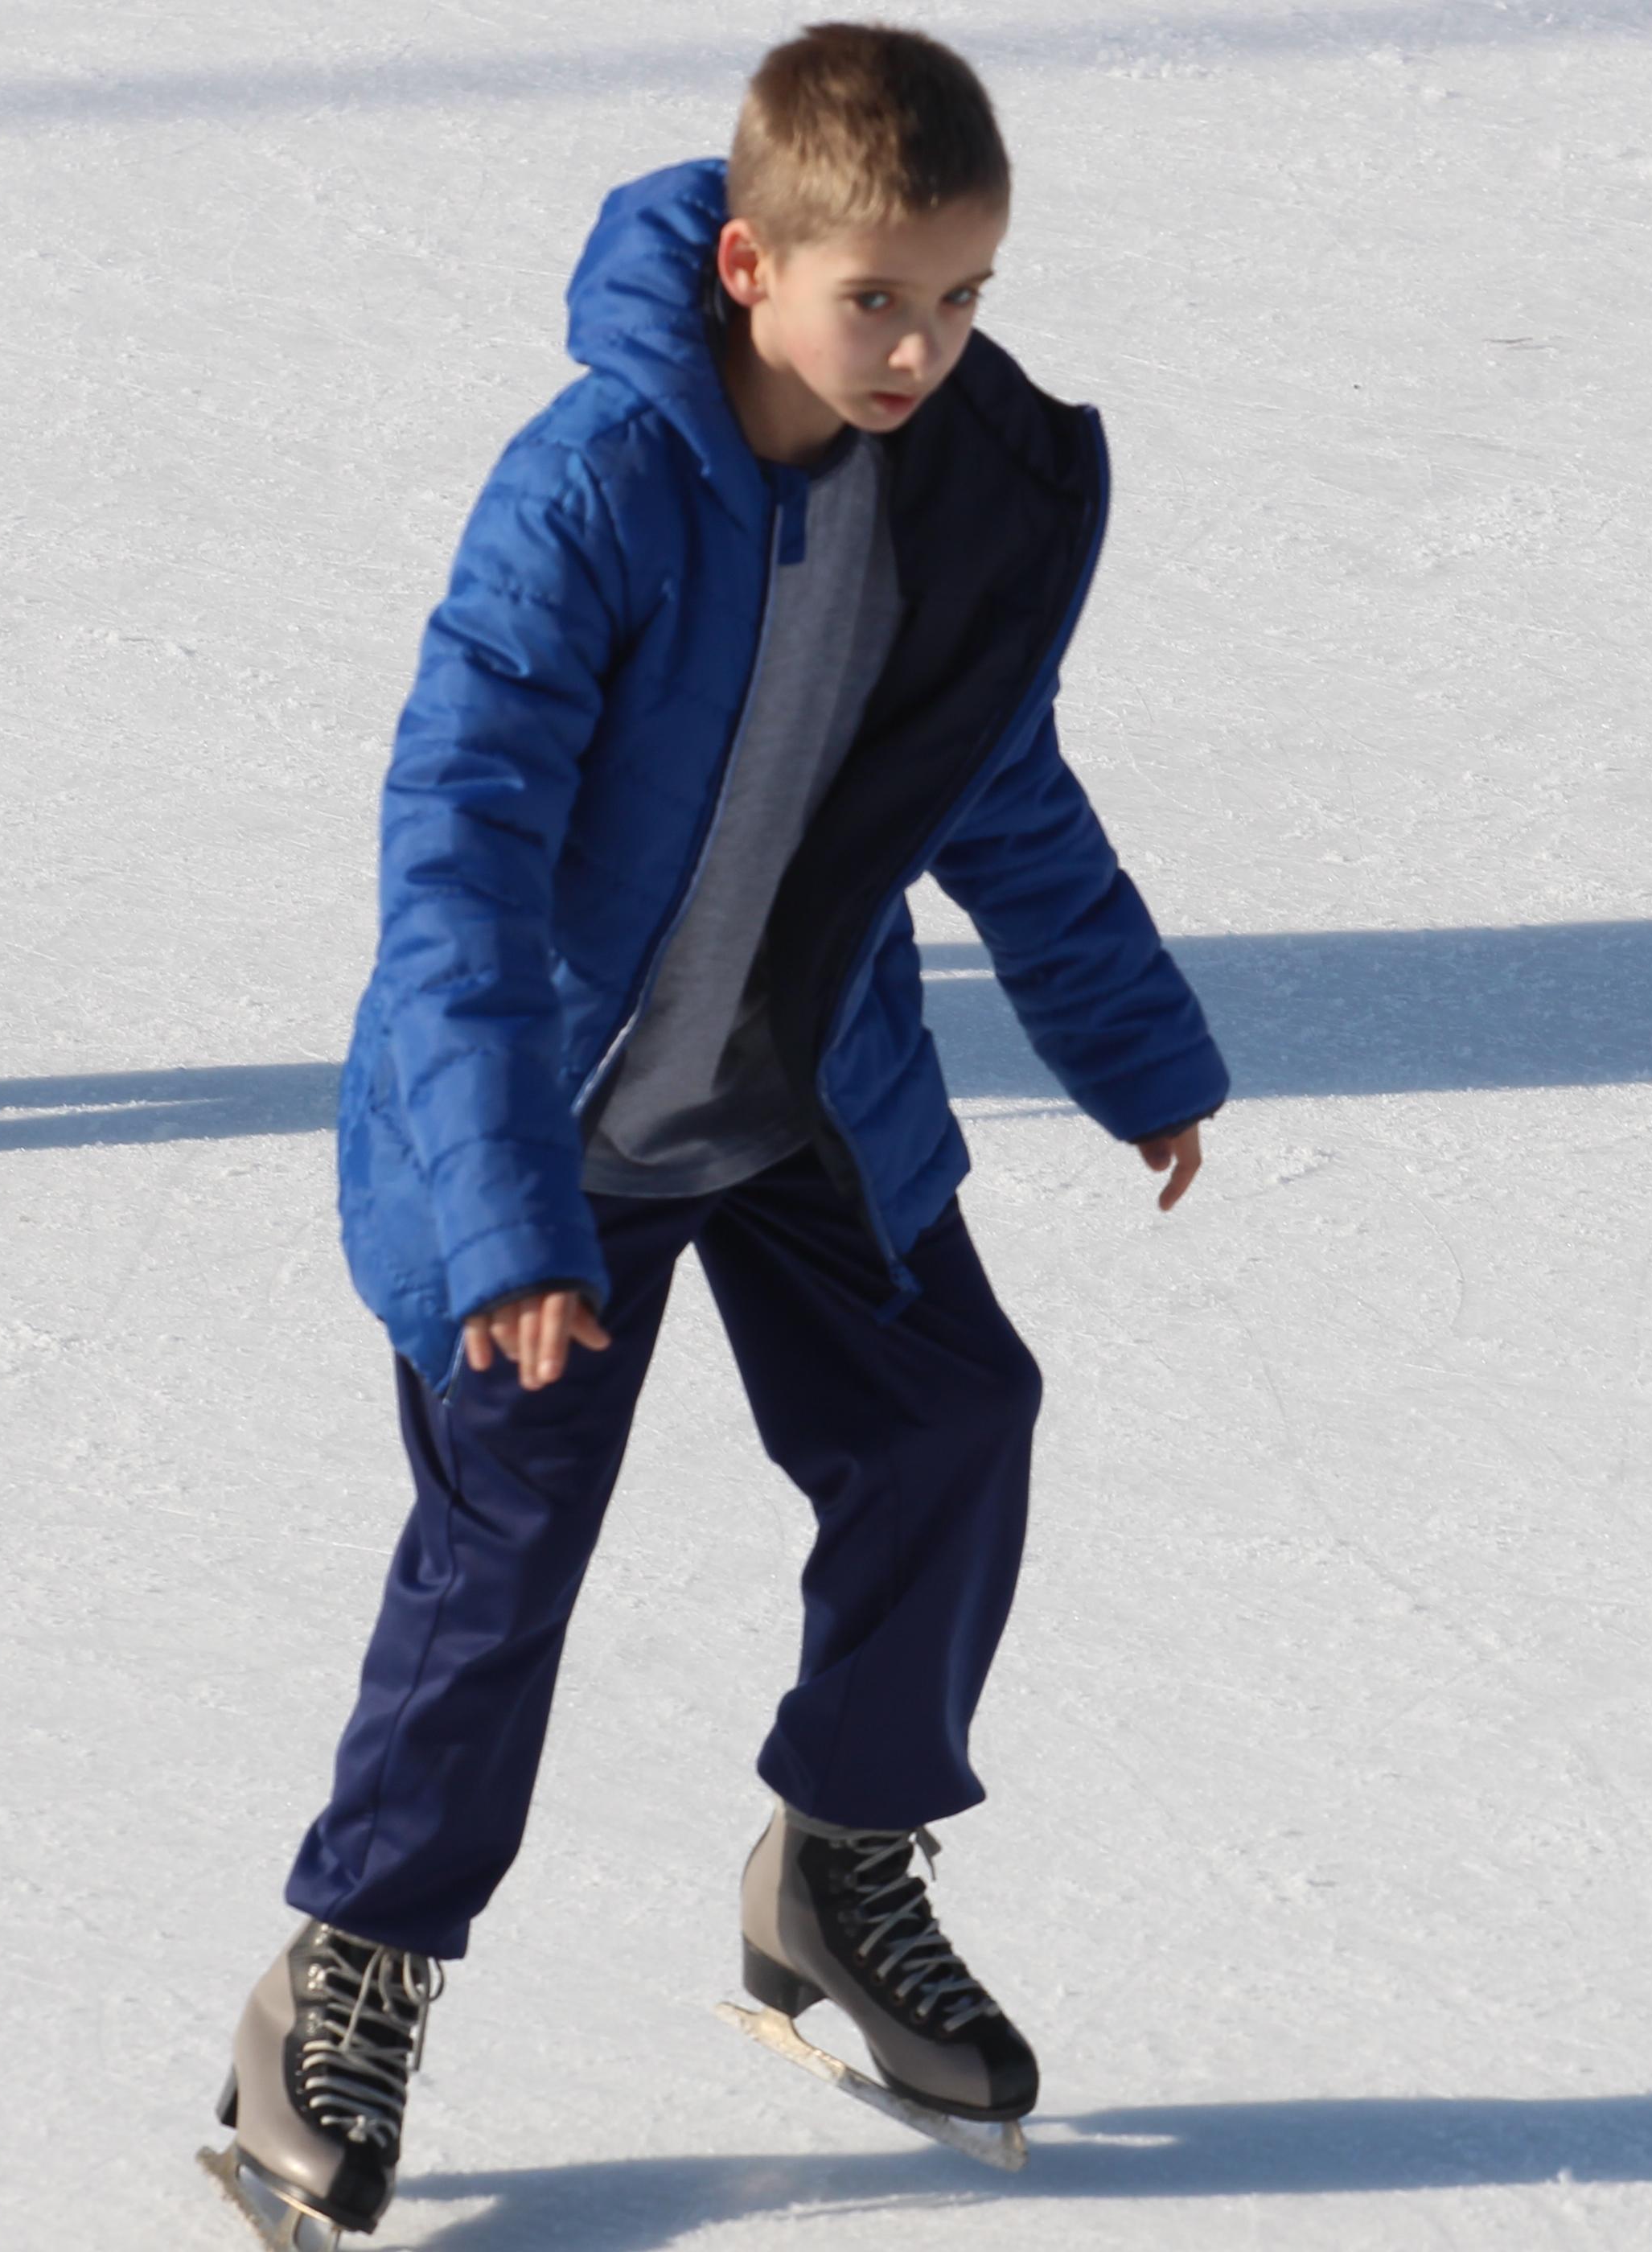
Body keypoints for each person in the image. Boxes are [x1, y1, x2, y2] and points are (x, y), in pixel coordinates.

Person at [208, 23, 1227, 2242]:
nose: (926, 349)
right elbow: (456, 851)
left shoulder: (940, 494)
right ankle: (349, 1967)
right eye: (880, 299)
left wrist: (1134, 1045)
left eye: (963, 300)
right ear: (752, 262)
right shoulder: (593, 488)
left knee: (956, 1424)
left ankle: (843, 1865)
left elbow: (1000, 790)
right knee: (504, 1569)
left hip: (796, 1098)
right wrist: (502, 1224)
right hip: (544, 1139)